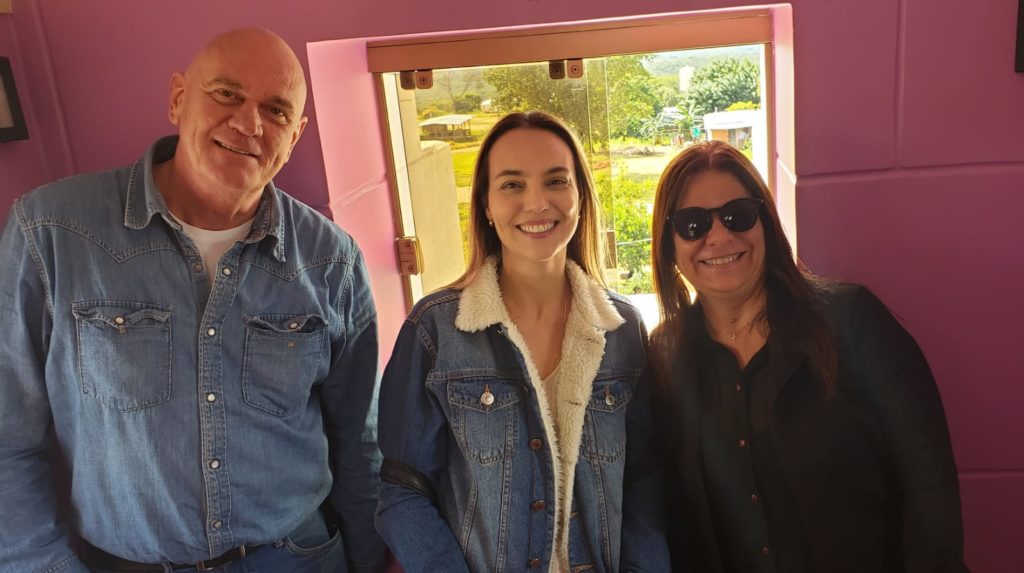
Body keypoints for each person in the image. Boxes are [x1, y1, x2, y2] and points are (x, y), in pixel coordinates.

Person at [0, 28, 386, 573]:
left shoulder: (332, 260)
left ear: (295, 135)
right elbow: (7, 438)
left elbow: (359, 442)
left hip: (299, 557)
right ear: (179, 99)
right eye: (227, 93)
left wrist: (368, 561)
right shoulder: (51, 233)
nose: (249, 123)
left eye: (275, 111)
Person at [647, 140, 968, 572]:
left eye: (738, 215)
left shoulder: (851, 321)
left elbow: (928, 482)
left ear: (765, 223)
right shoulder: (664, 358)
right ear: (668, 245)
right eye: (692, 224)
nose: (719, 237)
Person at [374, 111, 668, 572]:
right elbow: (401, 489)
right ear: (486, 206)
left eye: (556, 181)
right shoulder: (435, 331)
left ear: (579, 196)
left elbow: (643, 479)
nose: (536, 202)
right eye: (512, 184)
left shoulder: (623, 329)